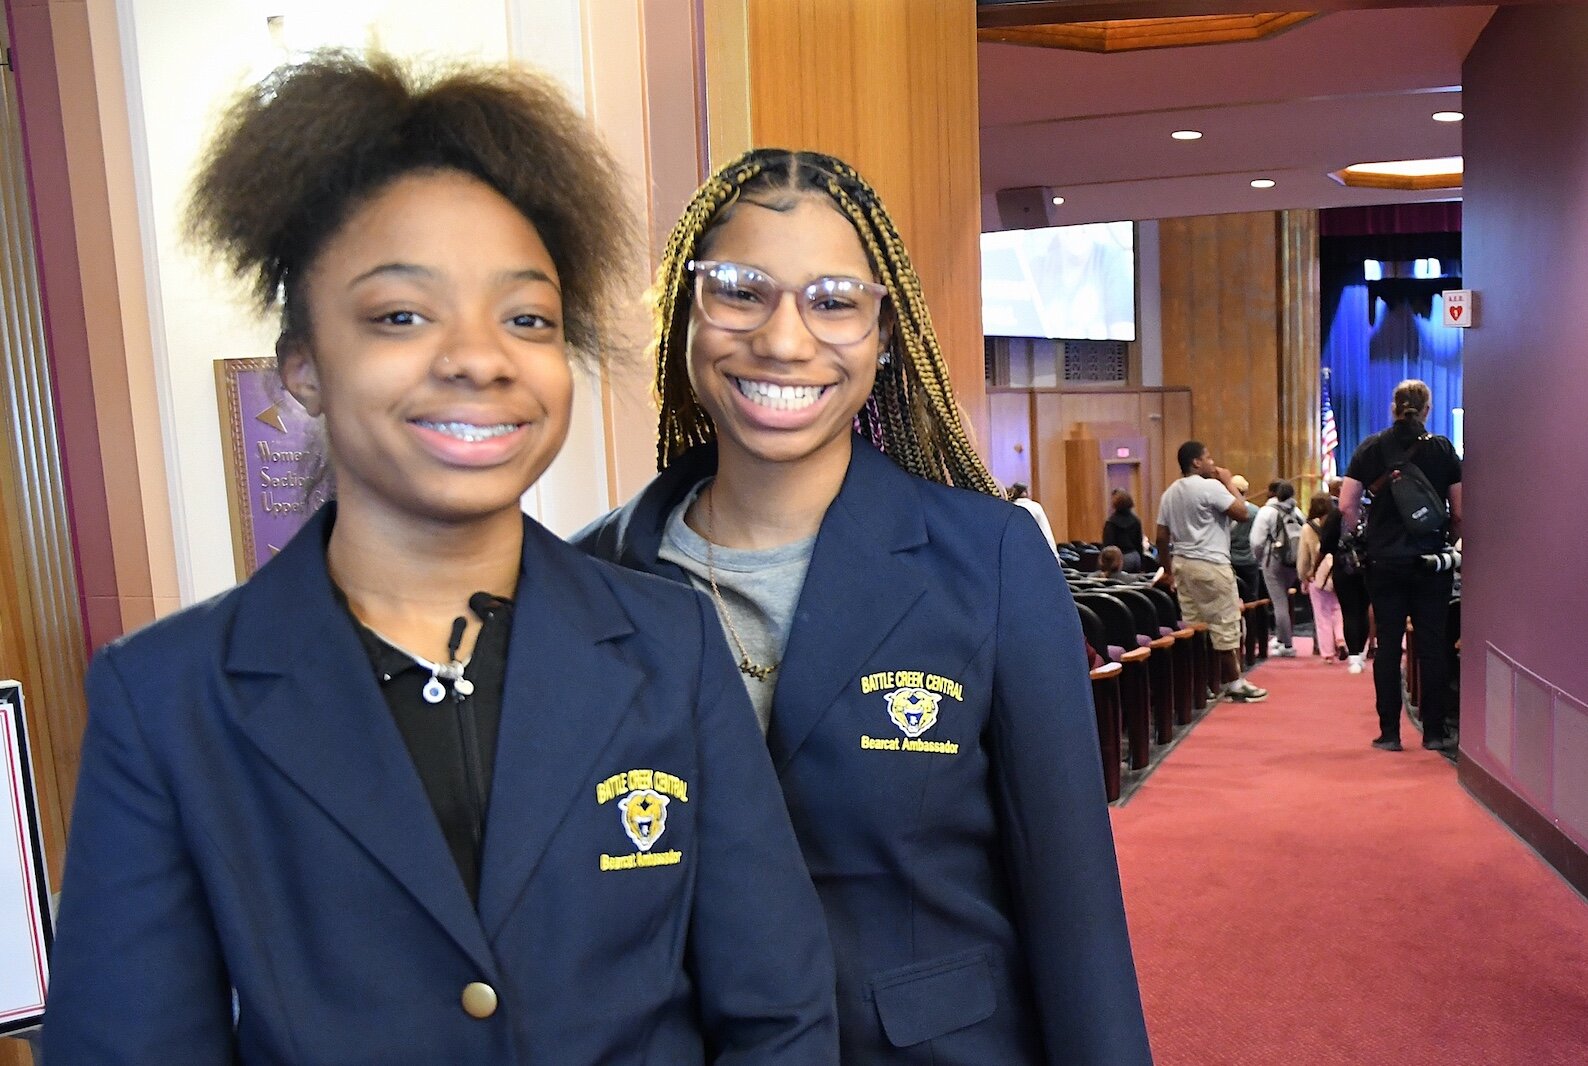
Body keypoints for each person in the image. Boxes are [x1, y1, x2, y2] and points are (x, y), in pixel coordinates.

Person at [43, 54, 838, 1064]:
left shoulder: (667, 643)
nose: (478, 356)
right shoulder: (166, 699)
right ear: (303, 367)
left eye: (526, 318)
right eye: (400, 316)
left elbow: (779, 1010)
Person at [576, 148, 1152, 1065]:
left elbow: (1073, 904)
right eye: (740, 290)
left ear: (885, 339)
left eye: (834, 300)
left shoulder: (991, 561)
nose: (784, 338)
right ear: (685, 316)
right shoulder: (590, 579)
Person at [1341, 378, 1463, 752]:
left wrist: (1358, 537)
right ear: (1428, 410)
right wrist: (1446, 540)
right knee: (1433, 645)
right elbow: (1459, 511)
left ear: (1392, 408)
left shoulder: (1371, 447)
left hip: (1384, 561)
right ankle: (1435, 732)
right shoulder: (1443, 449)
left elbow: (1347, 504)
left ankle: (1390, 733)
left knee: (1389, 644)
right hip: (1430, 561)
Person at [1155, 441, 1267, 702]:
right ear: (1196, 462)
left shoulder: (1170, 492)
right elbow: (1242, 513)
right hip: (1211, 564)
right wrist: (1228, 482)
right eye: (1208, 458)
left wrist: (1168, 570)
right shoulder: (1210, 487)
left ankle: (1202, 684)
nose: (1213, 464)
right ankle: (1234, 685)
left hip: (1183, 565)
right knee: (1226, 624)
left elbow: (1161, 536)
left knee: (1196, 627)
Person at [1249, 480, 1303, 657]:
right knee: (1284, 600)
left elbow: (1257, 541)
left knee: (1279, 603)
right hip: (1293, 562)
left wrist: (1260, 558)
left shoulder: (1267, 512)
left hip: (1274, 560)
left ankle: (1287, 645)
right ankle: (1281, 640)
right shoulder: (1297, 511)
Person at [1297, 492, 1344, 661]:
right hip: (1338, 571)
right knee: (1339, 609)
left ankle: (1327, 653)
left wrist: (1303, 576)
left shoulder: (1308, 528)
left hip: (1317, 574)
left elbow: (1303, 557)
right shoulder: (1338, 523)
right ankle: (1341, 639)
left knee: (1322, 614)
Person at [1226, 475, 1261, 603]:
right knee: (1251, 599)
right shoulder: (1255, 511)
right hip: (1249, 561)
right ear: (1246, 491)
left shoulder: (1225, 510)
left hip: (1229, 560)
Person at [1008, 481, 1059, 557]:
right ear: (1026, 492)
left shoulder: (1009, 508)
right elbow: (1046, 532)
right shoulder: (1036, 507)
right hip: (1037, 552)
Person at [1102, 490, 1145, 572]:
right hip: (1135, 557)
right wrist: (1142, 565)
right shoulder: (1136, 520)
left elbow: (1108, 545)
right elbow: (1139, 543)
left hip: (1119, 559)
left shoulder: (1111, 522)